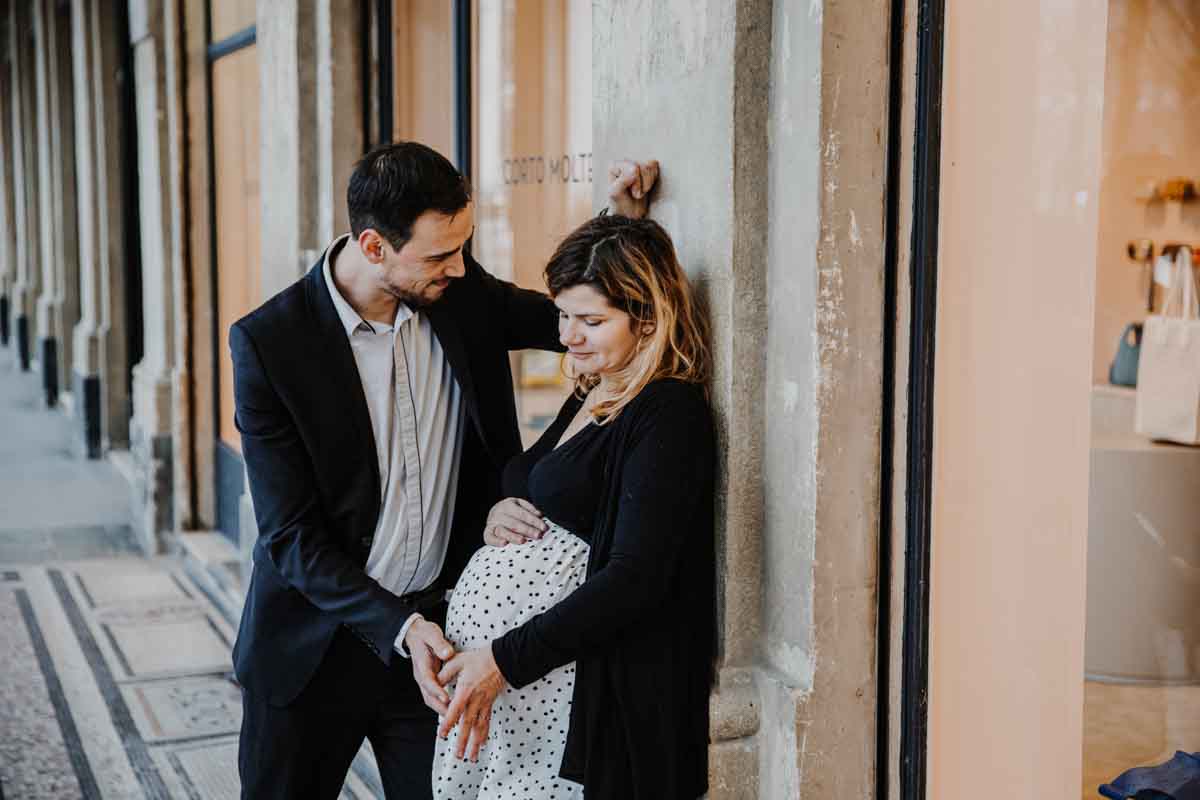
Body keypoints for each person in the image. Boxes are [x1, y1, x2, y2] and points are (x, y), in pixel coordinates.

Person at [229, 141, 659, 799]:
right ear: (373, 247)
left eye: (463, 246)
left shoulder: (458, 291)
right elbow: (290, 537)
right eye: (438, 255)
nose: (458, 268)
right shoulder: (269, 343)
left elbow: (578, 322)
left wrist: (623, 226)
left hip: (445, 639)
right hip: (312, 652)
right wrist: (399, 628)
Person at [431, 214, 717, 800]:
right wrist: (500, 510)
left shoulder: (667, 414)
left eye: (591, 320)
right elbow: (536, 481)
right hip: (518, 694)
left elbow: (636, 578)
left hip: (573, 702)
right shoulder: (597, 389)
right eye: (563, 314)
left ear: (648, 319)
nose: (567, 335)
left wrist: (504, 659)